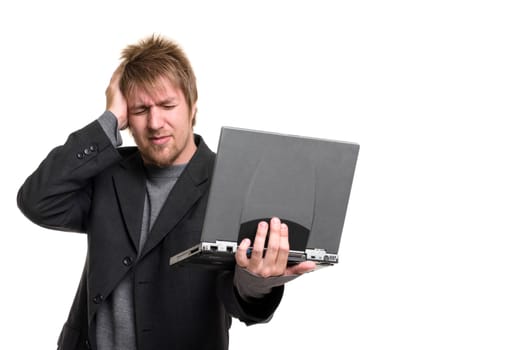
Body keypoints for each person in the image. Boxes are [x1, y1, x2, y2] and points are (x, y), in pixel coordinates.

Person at [17, 34, 316, 350]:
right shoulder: (106, 174)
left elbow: (240, 300)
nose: (155, 122)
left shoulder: (231, 183)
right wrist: (108, 118)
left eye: (167, 105)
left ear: (192, 106)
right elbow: (37, 200)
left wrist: (257, 281)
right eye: (140, 109)